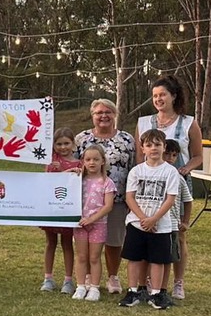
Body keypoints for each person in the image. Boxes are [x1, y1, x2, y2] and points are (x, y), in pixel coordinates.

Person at [136, 75, 203, 301]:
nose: (158, 99)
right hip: (149, 186)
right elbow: (139, 158)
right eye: (155, 96)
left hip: (177, 184)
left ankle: (178, 282)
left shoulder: (189, 123)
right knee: (150, 231)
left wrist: (184, 170)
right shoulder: (143, 122)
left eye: (162, 94)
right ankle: (148, 280)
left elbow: (198, 156)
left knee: (177, 235)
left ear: (174, 96)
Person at [74, 98, 137, 295]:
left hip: (117, 199)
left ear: (115, 114)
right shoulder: (81, 139)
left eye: (108, 112)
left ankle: (113, 276)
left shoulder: (127, 139)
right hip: (87, 200)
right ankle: (87, 277)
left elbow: (134, 168)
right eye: (99, 113)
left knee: (114, 240)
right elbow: (73, 166)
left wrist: (132, 197)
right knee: (87, 242)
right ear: (92, 116)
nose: (103, 116)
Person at [119, 128, 182, 310]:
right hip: (136, 223)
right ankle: (133, 291)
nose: (153, 148)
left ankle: (155, 293)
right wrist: (143, 219)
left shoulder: (170, 172)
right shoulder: (136, 171)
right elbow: (130, 197)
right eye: (149, 145)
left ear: (164, 147)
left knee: (158, 260)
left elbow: (170, 199)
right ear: (143, 148)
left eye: (157, 144)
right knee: (134, 258)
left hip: (161, 225)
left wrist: (154, 219)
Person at [39, 127, 83, 295]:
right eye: (59, 144)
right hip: (51, 208)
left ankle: (68, 280)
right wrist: (63, 172)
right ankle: (48, 278)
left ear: (73, 144)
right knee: (50, 243)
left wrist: (76, 173)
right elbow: (47, 182)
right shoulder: (52, 161)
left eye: (66, 143)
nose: (63, 147)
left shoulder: (79, 164)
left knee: (67, 244)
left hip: (68, 210)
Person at [72, 144, 116, 302]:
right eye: (88, 159)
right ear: (83, 161)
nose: (92, 163)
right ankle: (80, 286)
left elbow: (108, 206)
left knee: (94, 257)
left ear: (102, 161)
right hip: (80, 224)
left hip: (98, 224)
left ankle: (94, 287)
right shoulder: (78, 180)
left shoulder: (107, 182)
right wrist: (70, 172)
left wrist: (92, 219)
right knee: (81, 256)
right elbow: (61, 183)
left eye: (96, 159)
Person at [163, 138, 194, 297]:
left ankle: (178, 282)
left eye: (174, 155)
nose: (170, 158)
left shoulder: (178, 176)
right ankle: (150, 281)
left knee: (176, 247)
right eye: (167, 154)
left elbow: (187, 200)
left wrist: (186, 221)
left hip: (174, 219)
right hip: (154, 219)